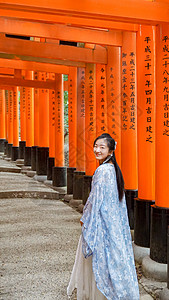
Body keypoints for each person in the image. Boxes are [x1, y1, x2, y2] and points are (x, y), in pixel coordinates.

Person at [67, 133, 139, 300]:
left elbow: (94, 199)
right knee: (114, 258)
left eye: (102, 147)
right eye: (96, 146)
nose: (97, 150)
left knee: (100, 258)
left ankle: (99, 295)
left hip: (102, 222)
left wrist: (86, 219)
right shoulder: (113, 169)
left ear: (111, 151)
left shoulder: (102, 170)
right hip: (113, 222)